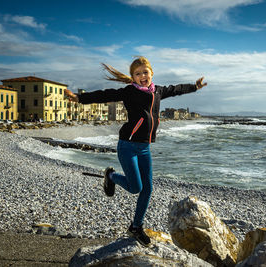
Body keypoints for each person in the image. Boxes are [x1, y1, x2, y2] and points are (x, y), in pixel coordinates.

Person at [65, 56, 207, 246]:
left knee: (147, 189)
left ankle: (136, 226)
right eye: (137, 74)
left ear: (151, 73)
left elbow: (176, 89)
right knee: (135, 188)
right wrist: (80, 98)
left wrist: (194, 87)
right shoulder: (130, 92)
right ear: (132, 77)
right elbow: (106, 94)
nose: (142, 76)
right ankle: (112, 176)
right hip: (128, 146)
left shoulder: (158, 91)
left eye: (145, 72)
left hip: (145, 148)